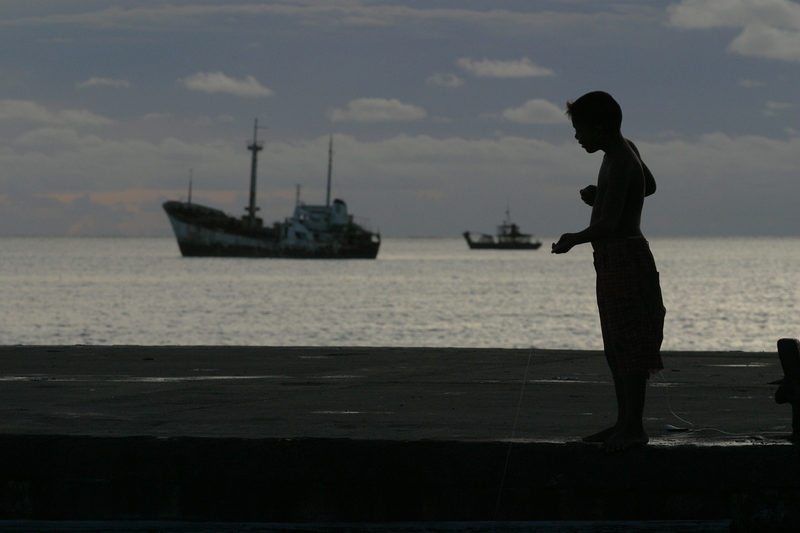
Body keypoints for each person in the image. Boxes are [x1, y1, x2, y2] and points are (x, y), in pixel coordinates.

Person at [551, 91, 665, 452]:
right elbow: (650, 186)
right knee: (616, 344)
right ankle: (623, 422)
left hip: (622, 256)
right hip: (616, 258)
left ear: (599, 128)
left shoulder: (618, 160)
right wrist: (602, 193)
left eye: (581, 129)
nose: (577, 137)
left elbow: (610, 224)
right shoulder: (624, 149)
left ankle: (633, 427)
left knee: (628, 342)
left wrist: (573, 238)